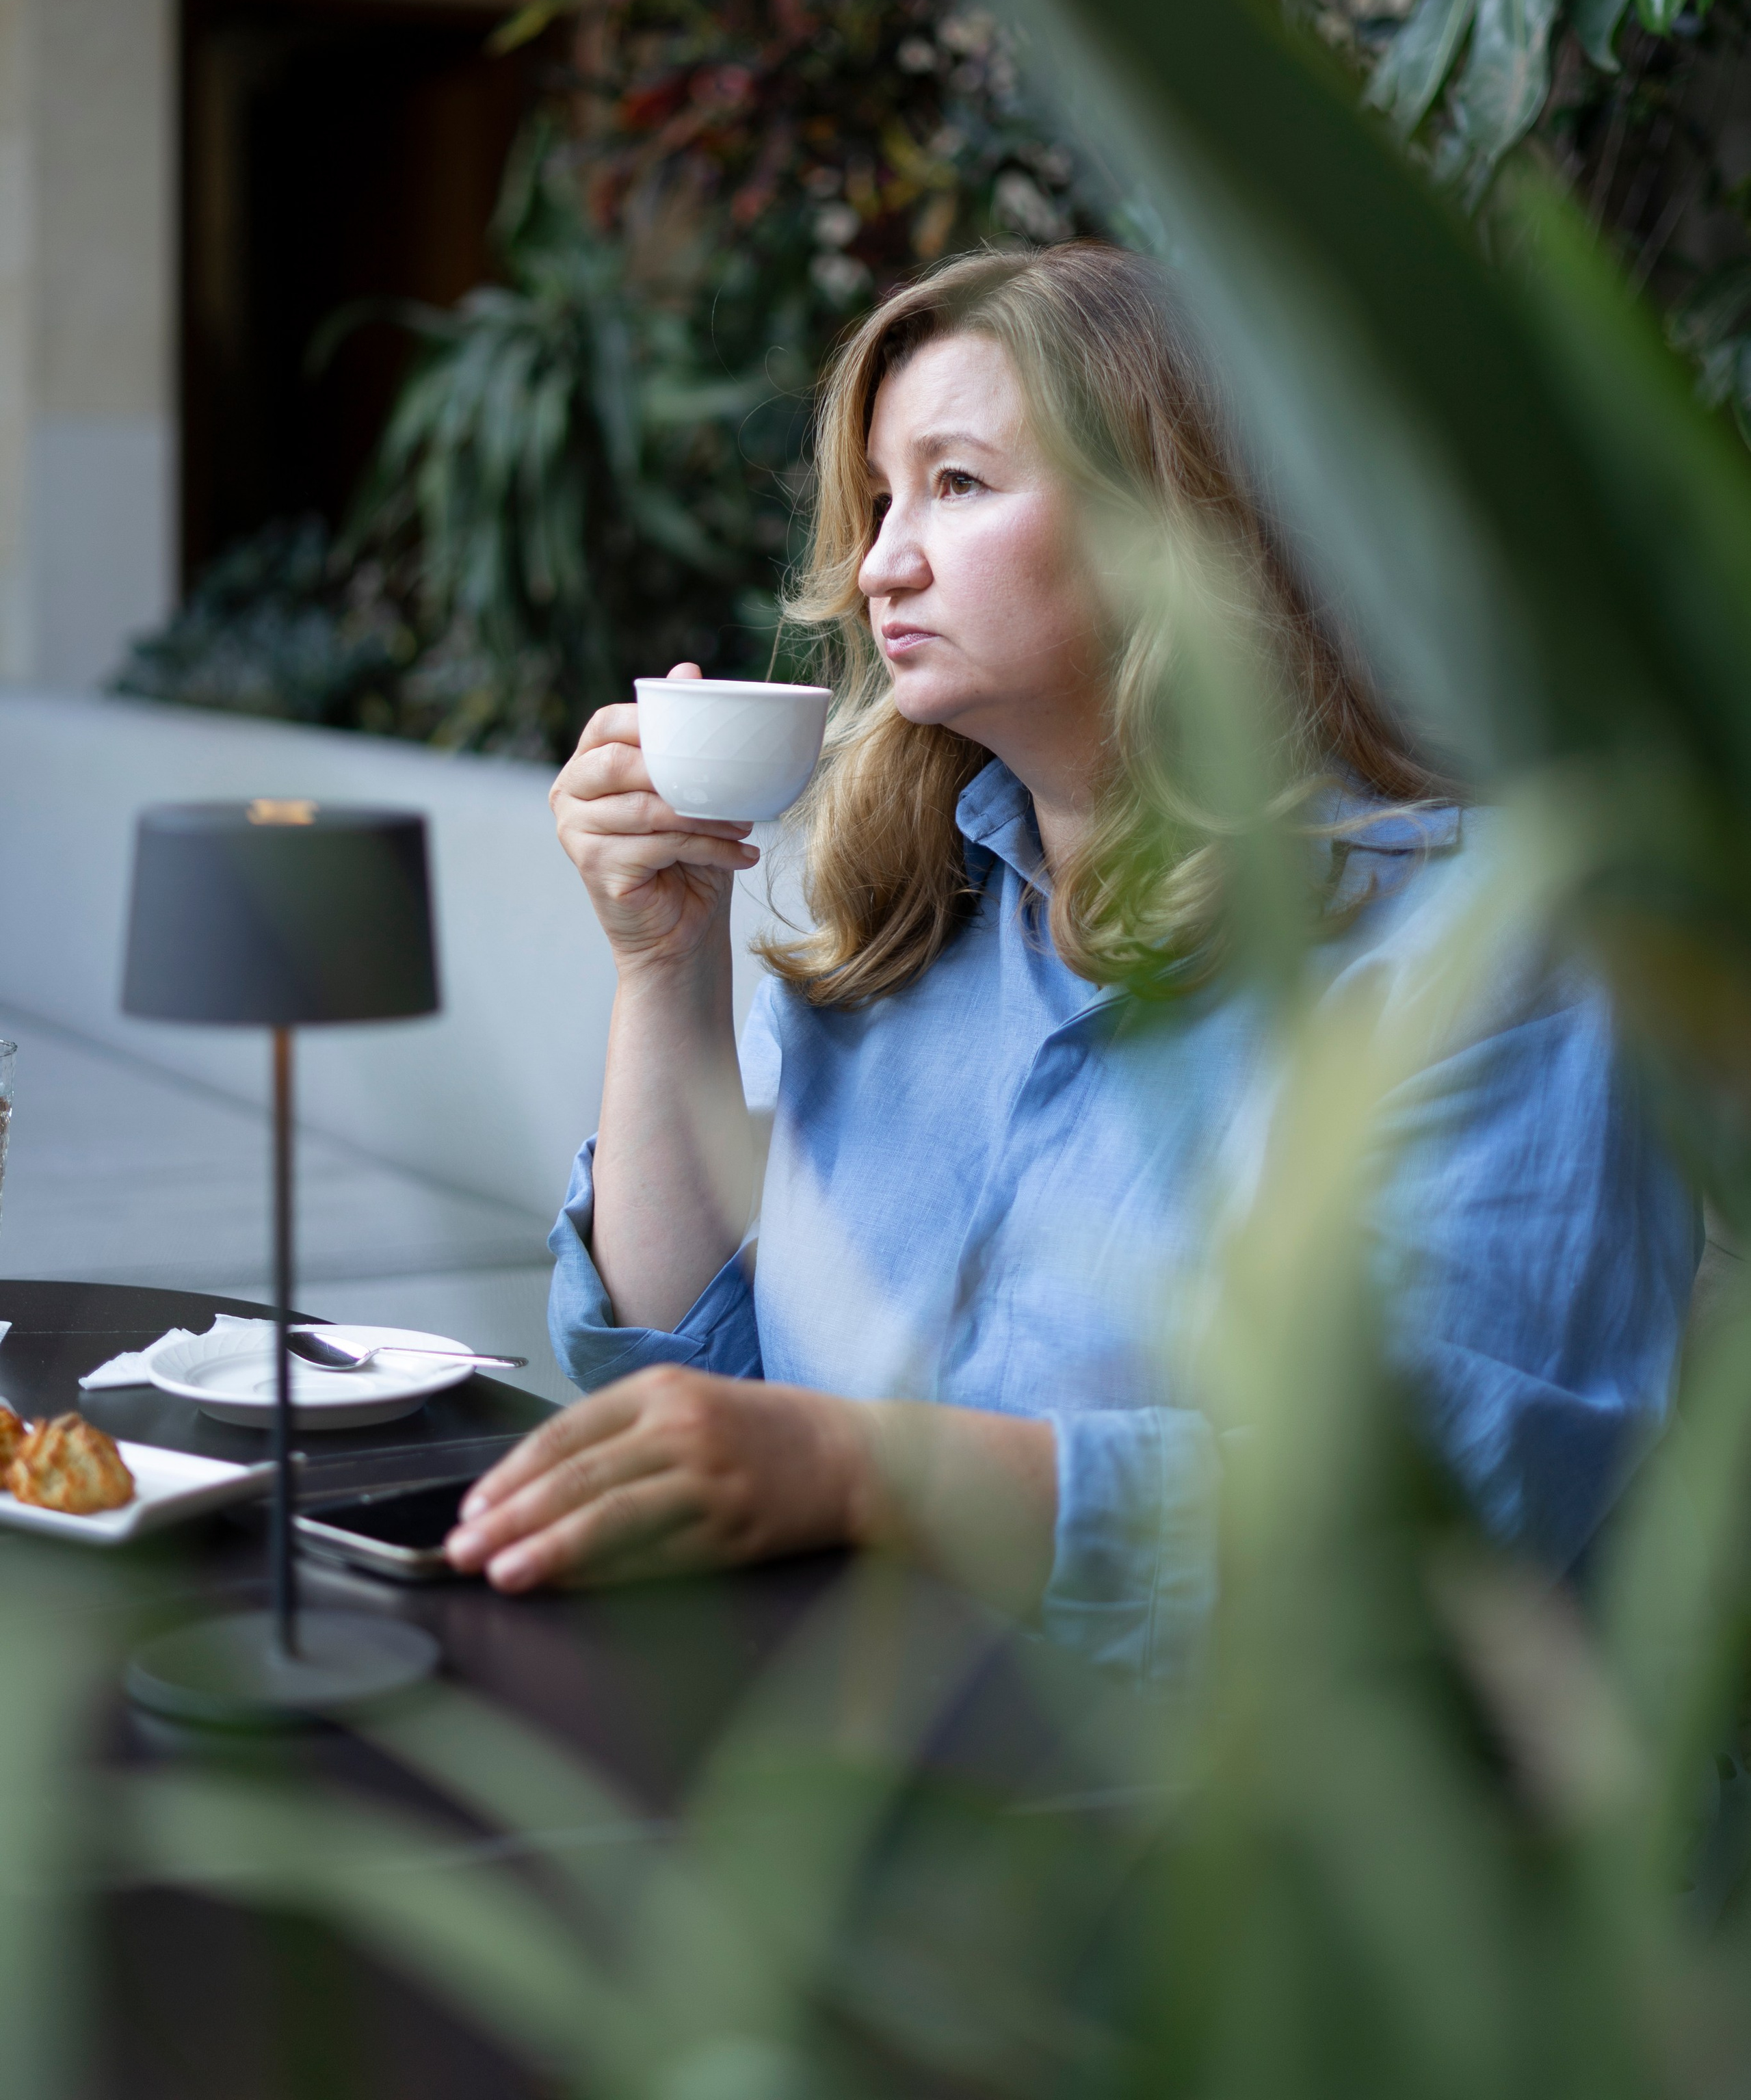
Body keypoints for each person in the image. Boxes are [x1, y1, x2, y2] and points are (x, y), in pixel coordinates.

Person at [444, 244, 1698, 1675]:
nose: (874, 566)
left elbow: (1442, 1521)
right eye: (872, 502)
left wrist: (870, 1471)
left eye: (956, 484)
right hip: (831, 1765)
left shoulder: (1491, 941)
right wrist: (661, 961)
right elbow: (680, 1379)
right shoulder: (902, 933)